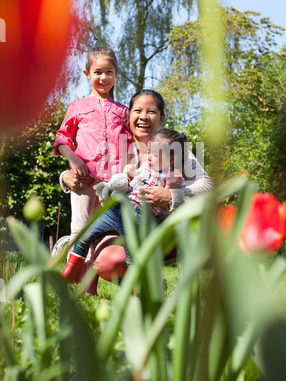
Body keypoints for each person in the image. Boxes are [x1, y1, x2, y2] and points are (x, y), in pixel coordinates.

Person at [60, 89, 213, 283]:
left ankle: (185, 285)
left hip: (164, 232)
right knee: (106, 263)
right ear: (129, 114)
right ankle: (146, 284)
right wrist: (65, 177)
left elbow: (207, 186)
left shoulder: (172, 147)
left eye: (151, 112)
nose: (143, 117)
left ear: (162, 117)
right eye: (137, 111)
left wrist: (172, 196)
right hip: (126, 227)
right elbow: (93, 170)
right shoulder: (119, 145)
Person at [62, 127, 187, 283]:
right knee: (85, 235)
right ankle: (70, 273)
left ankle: (138, 289)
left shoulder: (174, 176)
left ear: (172, 158)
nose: (148, 157)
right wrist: (128, 173)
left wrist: (169, 190)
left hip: (137, 215)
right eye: (148, 152)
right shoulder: (145, 166)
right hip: (116, 207)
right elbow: (132, 183)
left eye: (155, 155)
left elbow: (167, 204)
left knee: (132, 256)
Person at [53, 47, 132, 275]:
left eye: (109, 72)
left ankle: (92, 282)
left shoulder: (123, 111)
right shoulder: (77, 106)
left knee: (106, 233)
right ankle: (74, 279)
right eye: (98, 72)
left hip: (113, 184)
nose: (103, 77)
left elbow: (134, 142)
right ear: (87, 74)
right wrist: (74, 159)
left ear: (116, 74)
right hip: (84, 180)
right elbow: (62, 138)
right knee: (80, 229)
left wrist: (128, 168)